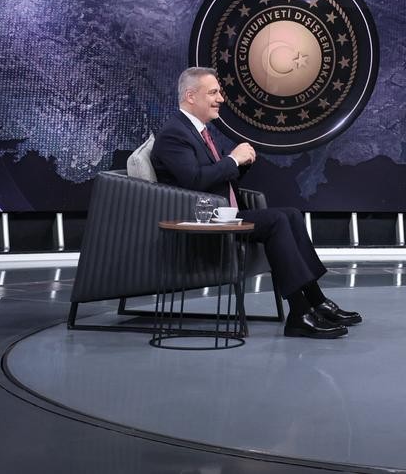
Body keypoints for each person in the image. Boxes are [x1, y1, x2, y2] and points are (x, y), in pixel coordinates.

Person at [152, 66, 362, 339]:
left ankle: (316, 300)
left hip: (221, 214)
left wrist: (240, 165)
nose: (221, 99)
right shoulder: (174, 134)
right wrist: (232, 160)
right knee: (276, 220)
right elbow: (194, 179)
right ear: (191, 96)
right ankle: (299, 314)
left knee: (291, 214)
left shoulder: (196, 131)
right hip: (200, 221)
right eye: (213, 92)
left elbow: (211, 177)